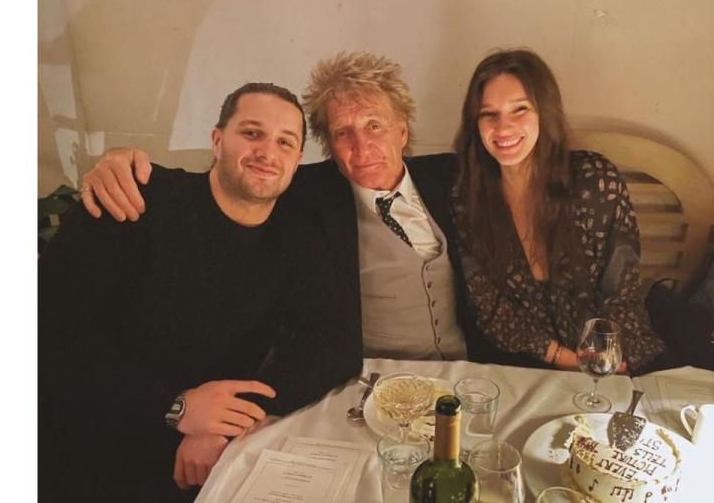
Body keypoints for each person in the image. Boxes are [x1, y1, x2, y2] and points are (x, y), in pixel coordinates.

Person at [39, 82, 362, 502]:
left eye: (285, 142)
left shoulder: (296, 236)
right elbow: (49, 341)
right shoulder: (134, 199)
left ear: (297, 160)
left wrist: (227, 419)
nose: (268, 152)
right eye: (251, 133)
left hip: (206, 455)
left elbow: (335, 341)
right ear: (216, 140)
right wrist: (177, 408)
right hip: (93, 441)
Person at [81, 52, 512, 364]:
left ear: (402, 131)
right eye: (343, 133)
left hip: (465, 373)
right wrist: (122, 160)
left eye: (375, 126)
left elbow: (524, 161)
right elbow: (231, 178)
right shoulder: (307, 192)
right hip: (370, 383)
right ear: (326, 147)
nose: (361, 147)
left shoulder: (451, 176)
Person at [451, 49, 666, 373]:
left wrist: (606, 366)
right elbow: (491, 309)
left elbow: (620, 295)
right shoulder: (468, 197)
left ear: (544, 113)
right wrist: (563, 359)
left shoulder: (596, 182)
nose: (503, 127)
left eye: (519, 109)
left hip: (614, 361)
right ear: (475, 124)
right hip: (524, 364)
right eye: (488, 114)